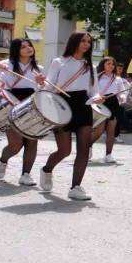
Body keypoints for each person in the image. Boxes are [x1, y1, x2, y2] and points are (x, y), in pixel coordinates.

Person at [38, 31, 103, 200]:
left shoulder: (91, 67)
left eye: (89, 42)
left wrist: (98, 98)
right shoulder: (58, 62)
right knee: (64, 150)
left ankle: (75, 187)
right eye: (83, 41)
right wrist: (41, 83)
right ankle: (46, 169)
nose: (86, 44)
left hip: (83, 106)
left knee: (83, 148)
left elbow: (93, 92)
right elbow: (49, 85)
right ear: (74, 42)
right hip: (61, 105)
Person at [0, 38, 46, 184]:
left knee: (32, 141)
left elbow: (44, 90)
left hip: (32, 106)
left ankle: (26, 175)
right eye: (23, 47)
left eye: (29, 45)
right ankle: (3, 161)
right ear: (16, 50)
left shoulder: (39, 69)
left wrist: (41, 83)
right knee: (15, 145)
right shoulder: (7, 64)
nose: (28, 48)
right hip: (12, 106)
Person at [89, 56, 127, 165]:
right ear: (103, 65)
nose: (111, 66)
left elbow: (122, 92)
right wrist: (96, 98)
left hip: (113, 104)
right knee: (99, 131)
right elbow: (91, 92)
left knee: (111, 131)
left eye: (112, 64)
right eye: (108, 63)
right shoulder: (97, 77)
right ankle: (88, 146)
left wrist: (122, 97)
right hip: (101, 104)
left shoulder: (118, 79)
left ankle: (108, 155)